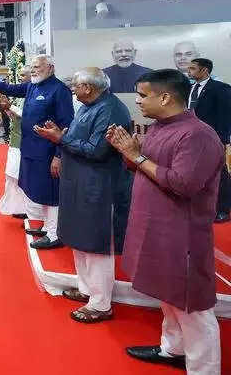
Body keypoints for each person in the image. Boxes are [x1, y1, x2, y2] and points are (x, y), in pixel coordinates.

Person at [106, 69, 222, 375]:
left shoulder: (197, 135)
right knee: (168, 297)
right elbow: (147, 168)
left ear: (166, 97)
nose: (139, 101)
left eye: (144, 95)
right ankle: (172, 349)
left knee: (192, 308)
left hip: (180, 233)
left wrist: (138, 157)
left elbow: (184, 184)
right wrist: (129, 154)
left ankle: (204, 369)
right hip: (154, 226)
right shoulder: (160, 127)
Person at [34, 68, 132, 324]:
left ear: (88, 88)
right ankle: (87, 290)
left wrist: (60, 139)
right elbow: (78, 139)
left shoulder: (111, 109)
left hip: (98, 188)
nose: (73, 90)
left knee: (96, 245)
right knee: (80, 240)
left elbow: (97, 150)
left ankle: (100, 304)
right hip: (79, 184)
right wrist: (61, 135)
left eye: (75, 86)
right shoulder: (89, 106)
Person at [0, 55, 74, 249]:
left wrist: (58, 156)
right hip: (30, 150)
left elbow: (66, 126)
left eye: (37, 67)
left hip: (47, 153)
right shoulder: (32, 86)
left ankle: (54, 234)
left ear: (50, 67)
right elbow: (9, 89)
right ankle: (46, 225)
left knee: (51, 193)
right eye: (32, 67)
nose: (33, 70)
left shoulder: (59, 90)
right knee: (38, 191)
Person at [187, 58, 231, 223]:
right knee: (194, 171)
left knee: (219, 173)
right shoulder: (188, 89)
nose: (188, 71)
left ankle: (223, 209)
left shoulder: (220, 89)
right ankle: (200, 207)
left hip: (213, 139)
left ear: (204, 70)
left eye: (192, 68)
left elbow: (226, 116)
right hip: (190, 138)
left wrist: (221, 140)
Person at [0, 66, 32, 218]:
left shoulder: (32, 95)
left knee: (18, 175)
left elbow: (30, 117)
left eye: (24, 75)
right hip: (15, 140)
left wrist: (10, 106)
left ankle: (27, 209)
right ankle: (19, 207)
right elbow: (15, 118)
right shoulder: (21, 95)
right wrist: (7, 110)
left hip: (23, 142)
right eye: (20, 75)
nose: (21, 78)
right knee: (12, 175)